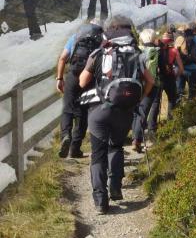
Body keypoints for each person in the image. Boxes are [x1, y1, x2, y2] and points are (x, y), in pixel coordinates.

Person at [79, 16, 154, 214]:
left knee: (98, 154)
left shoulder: (99, 52)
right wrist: (138, 100)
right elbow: (150, 81)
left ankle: (101, 201)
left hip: (99, 112)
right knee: (117, 147)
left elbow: (82, 81)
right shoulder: (136, 53)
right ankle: (116, 188)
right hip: (126, 111)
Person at [56, 20, 103, 158]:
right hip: (89, 77)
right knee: (83, 111)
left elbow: (63, 58)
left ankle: (65, 135)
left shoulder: (76, 37)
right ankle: (75, 148)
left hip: (73, 74)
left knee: (67, 108)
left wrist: (59, 78)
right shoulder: (101, 39)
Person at [130, 29, 161, 153]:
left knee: (135, 111)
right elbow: (162, 69)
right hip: (151, 85)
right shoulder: (157, 51)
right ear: (153, 39)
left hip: (136, 83)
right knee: (143, 111)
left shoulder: (137, 50)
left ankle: (134, 137)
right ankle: (137, 140)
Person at [148, 31, 184, 124]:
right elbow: (181, 68)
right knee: (172, 99)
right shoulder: (174, 50)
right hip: (169, 78)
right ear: (170, 41)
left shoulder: (154, 50)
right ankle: (170, 122)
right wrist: (175, 76)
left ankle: (152, 126)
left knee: (155, 102)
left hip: (157, 78)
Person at [175, 22, 196, 100]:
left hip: (180, 69)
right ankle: (192, 108)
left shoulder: (178, 39)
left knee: (179, 93)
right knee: (193, 93)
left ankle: (179, 110)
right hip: (193, 69)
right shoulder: (194, 39)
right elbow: (195, 55)